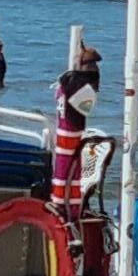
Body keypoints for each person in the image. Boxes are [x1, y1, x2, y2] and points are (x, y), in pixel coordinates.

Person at [52, 45, 102, 212]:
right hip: (72, 132)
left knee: (65, 170)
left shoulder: (65, 82)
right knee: (70, 171)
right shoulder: (77, 85)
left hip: (65, 130)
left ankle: (62, 201)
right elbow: (85, 106)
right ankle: (68, 205)